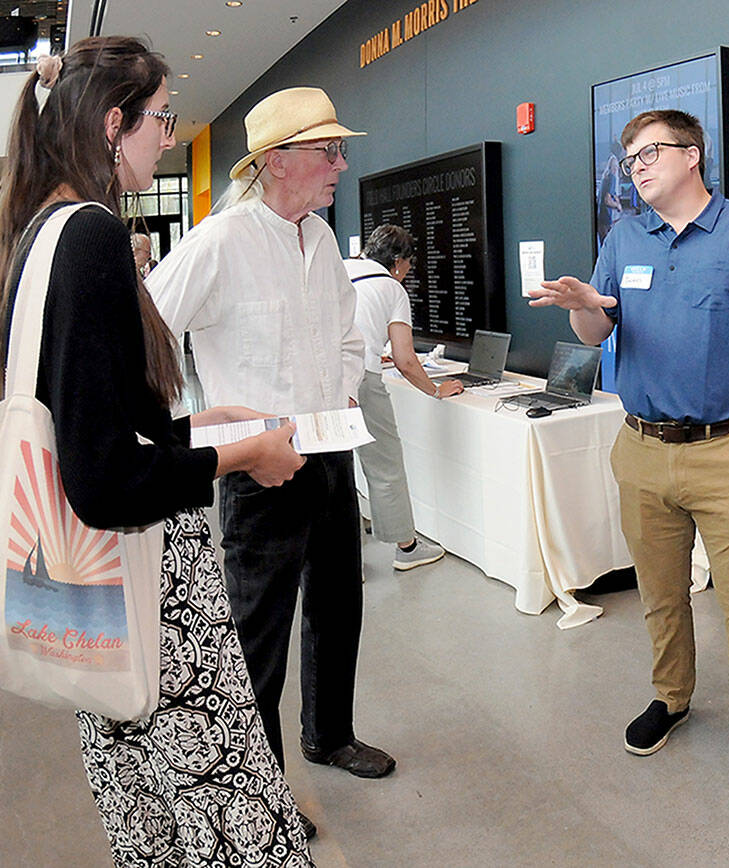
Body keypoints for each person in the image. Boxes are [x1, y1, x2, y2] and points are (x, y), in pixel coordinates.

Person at [0, 37, 313, 861]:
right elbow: (108, 481)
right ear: (114, 123)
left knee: (144, 806)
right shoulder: (92, 234)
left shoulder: (35, 234)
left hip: (87, 588)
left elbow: (87, 422)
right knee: (230, 804)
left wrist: (197, 430)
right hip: (149, 585)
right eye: (161, 118)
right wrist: (239, 459)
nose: (167, 135)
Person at [529, 109, 729, 782]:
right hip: (642, 446)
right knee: (659, 593)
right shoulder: (625, 238)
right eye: (630, 160)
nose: (638, 167)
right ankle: (671, 698)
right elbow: (597, 333)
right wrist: (581, 301)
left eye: (650, 152)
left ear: (693, 155)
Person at [148, 86, 396, 814]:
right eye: (329, 150)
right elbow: (146, 330)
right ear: (277, 160)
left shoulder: (321, 240)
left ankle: (330, 735)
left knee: (338, 602)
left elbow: (350, 336)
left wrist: (344, 386)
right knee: (259, 629)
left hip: (330, 449)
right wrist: (195, 422)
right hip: (259, 467)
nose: (342, 165)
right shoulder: (220, 241)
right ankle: (262, 789)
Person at [344, 224, 463, 568]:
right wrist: (436, 390)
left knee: (335, 467)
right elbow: (406, 360)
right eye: (410, 264)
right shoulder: (391, 289)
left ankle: (344, 558)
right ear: (397, 262)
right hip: (360, 379)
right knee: (384, 463)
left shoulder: (341, 266)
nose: (409, 272)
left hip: (322, 378)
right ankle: (407, 548)